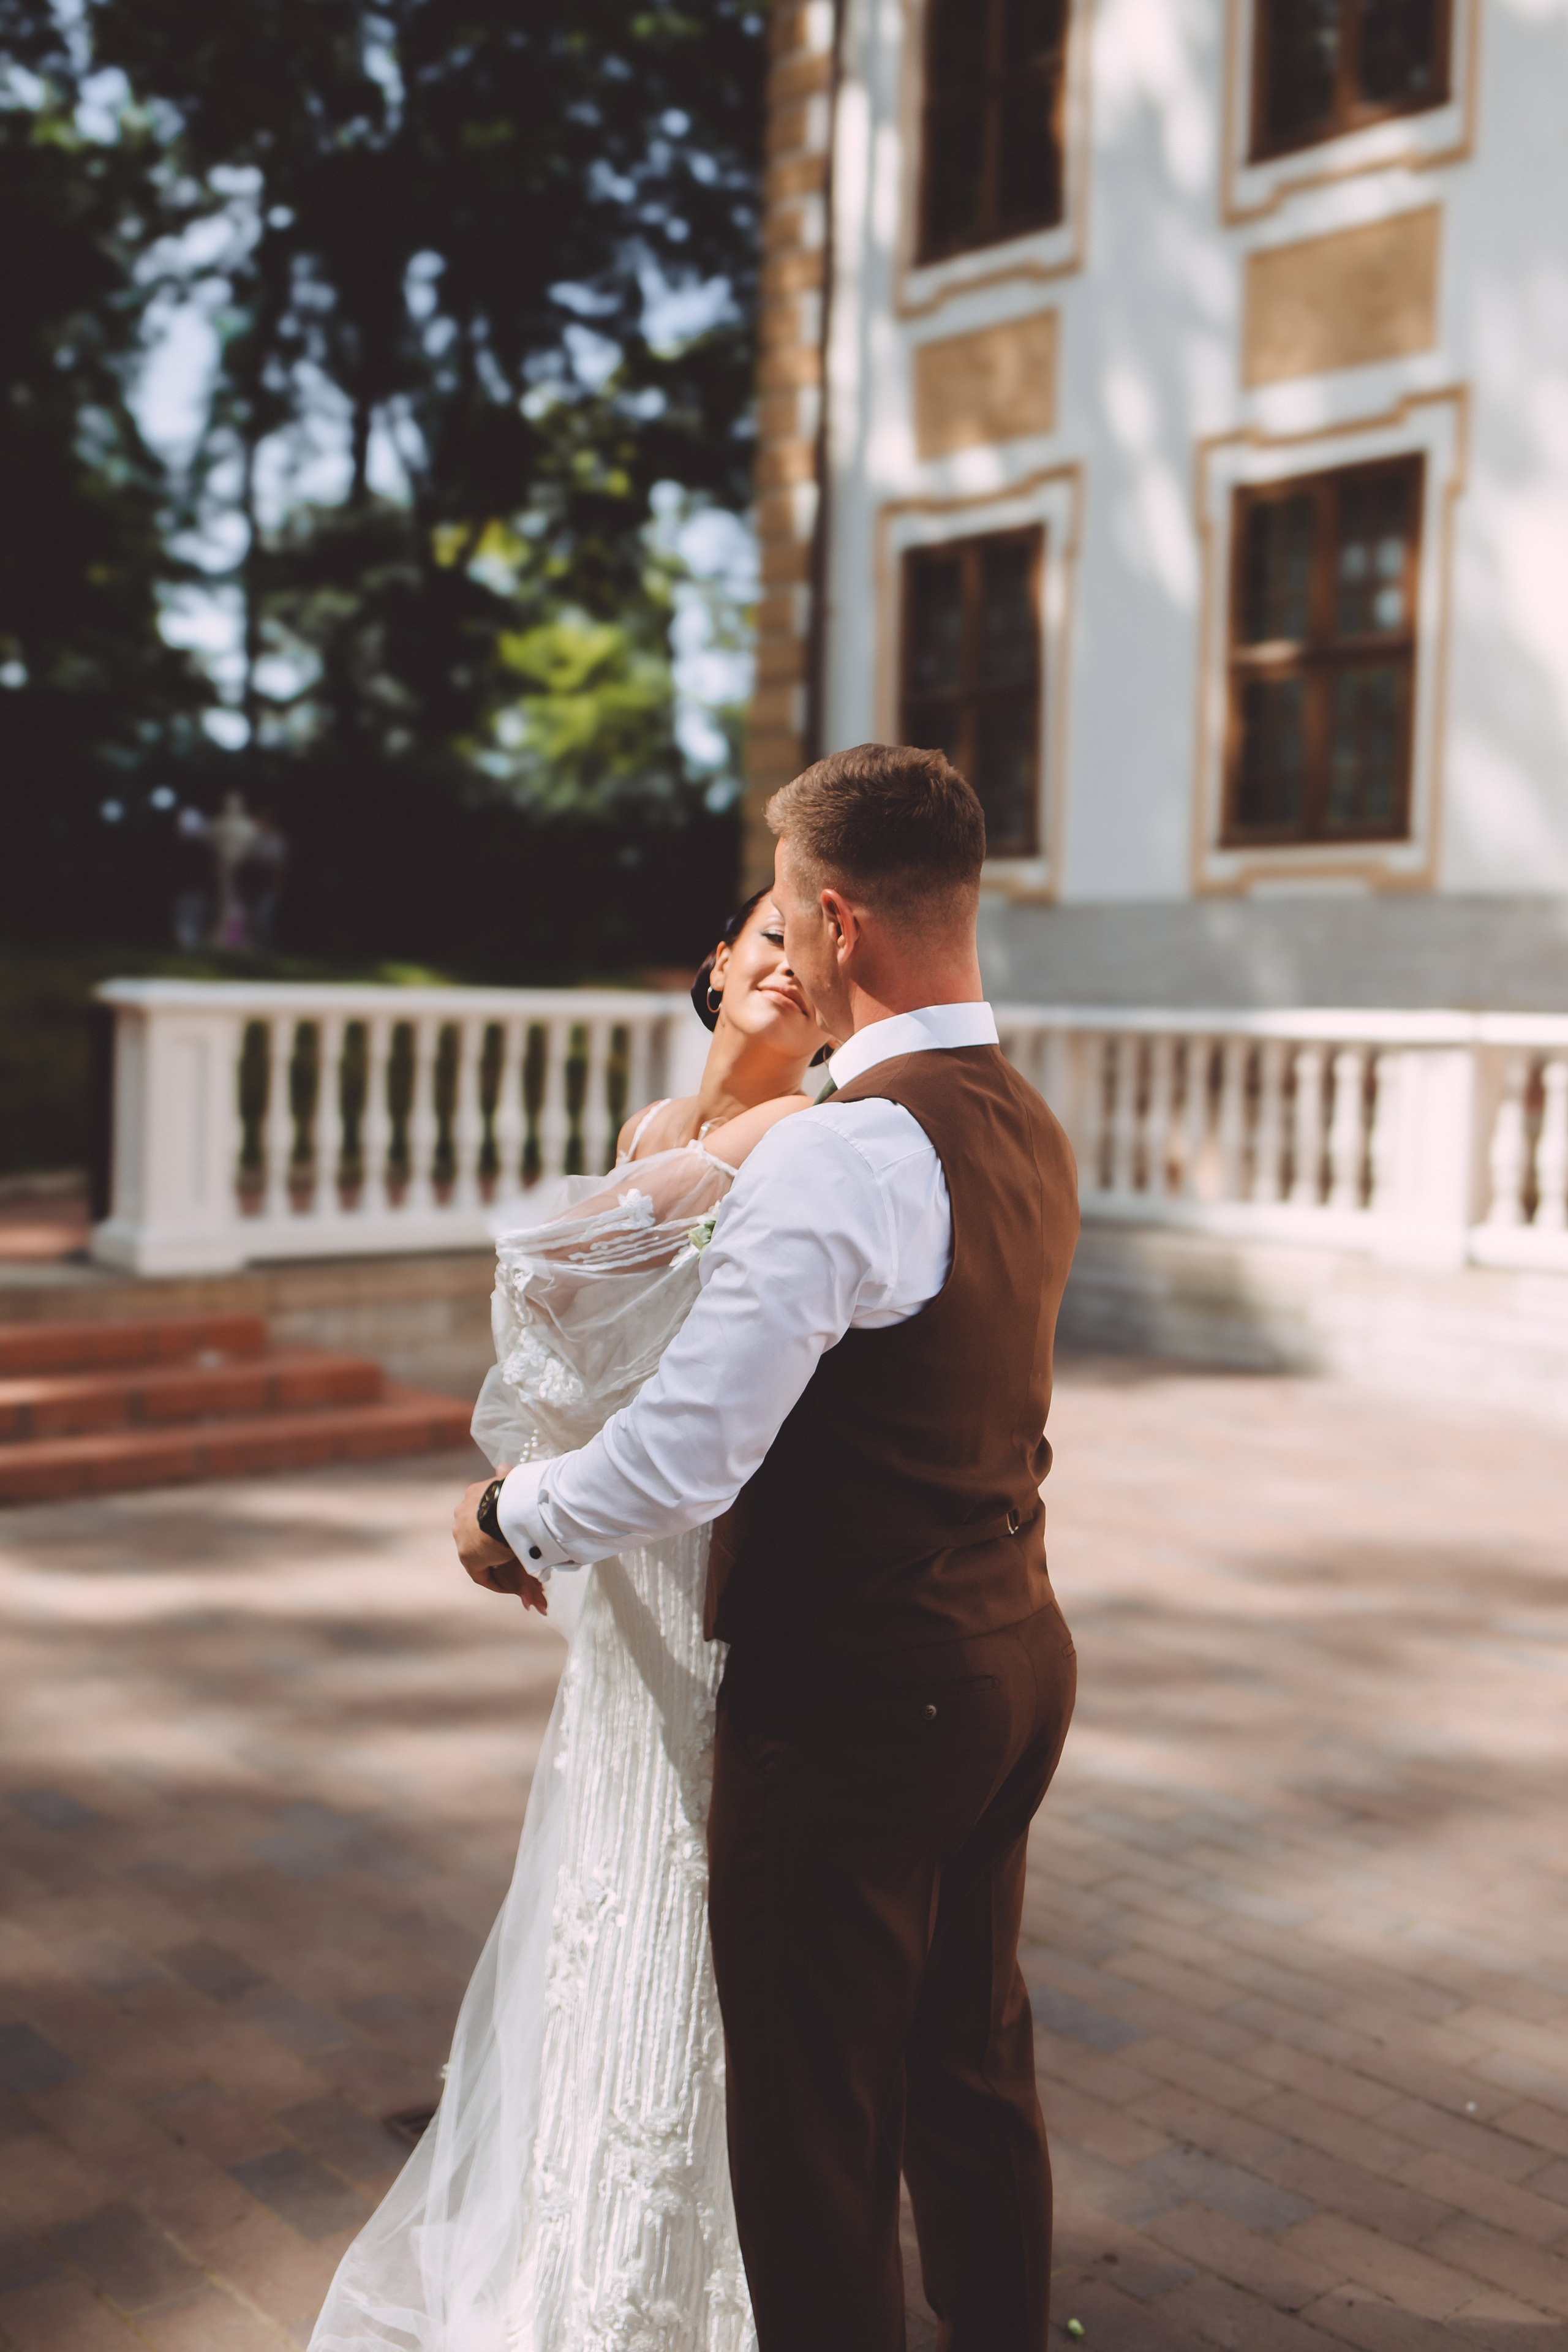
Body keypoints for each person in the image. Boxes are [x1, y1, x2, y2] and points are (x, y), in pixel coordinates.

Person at [456, 744, 1081, 2352]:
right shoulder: (1024, 1123)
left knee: (810, 2141)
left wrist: (508, 1515)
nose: (785, 955)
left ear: (841, 922)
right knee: (970, 2077)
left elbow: (685, 1455)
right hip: (1011, 1657)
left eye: (796, 922)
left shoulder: (845, 1150)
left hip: (858, 1704)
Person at [309, 892, 833, 2352]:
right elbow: (573, 1329)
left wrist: (518, 1506)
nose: (789, 960)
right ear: (716, 962)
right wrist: (537, 1492)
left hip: (699, 1566)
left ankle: (663, 2293)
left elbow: (628, 1322)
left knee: (675, 1898)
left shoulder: (798, 1141)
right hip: (615, 1580)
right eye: (766, 932)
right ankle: (565, 2239)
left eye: (819, 943)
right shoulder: (650, 1127)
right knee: (594, 1895)